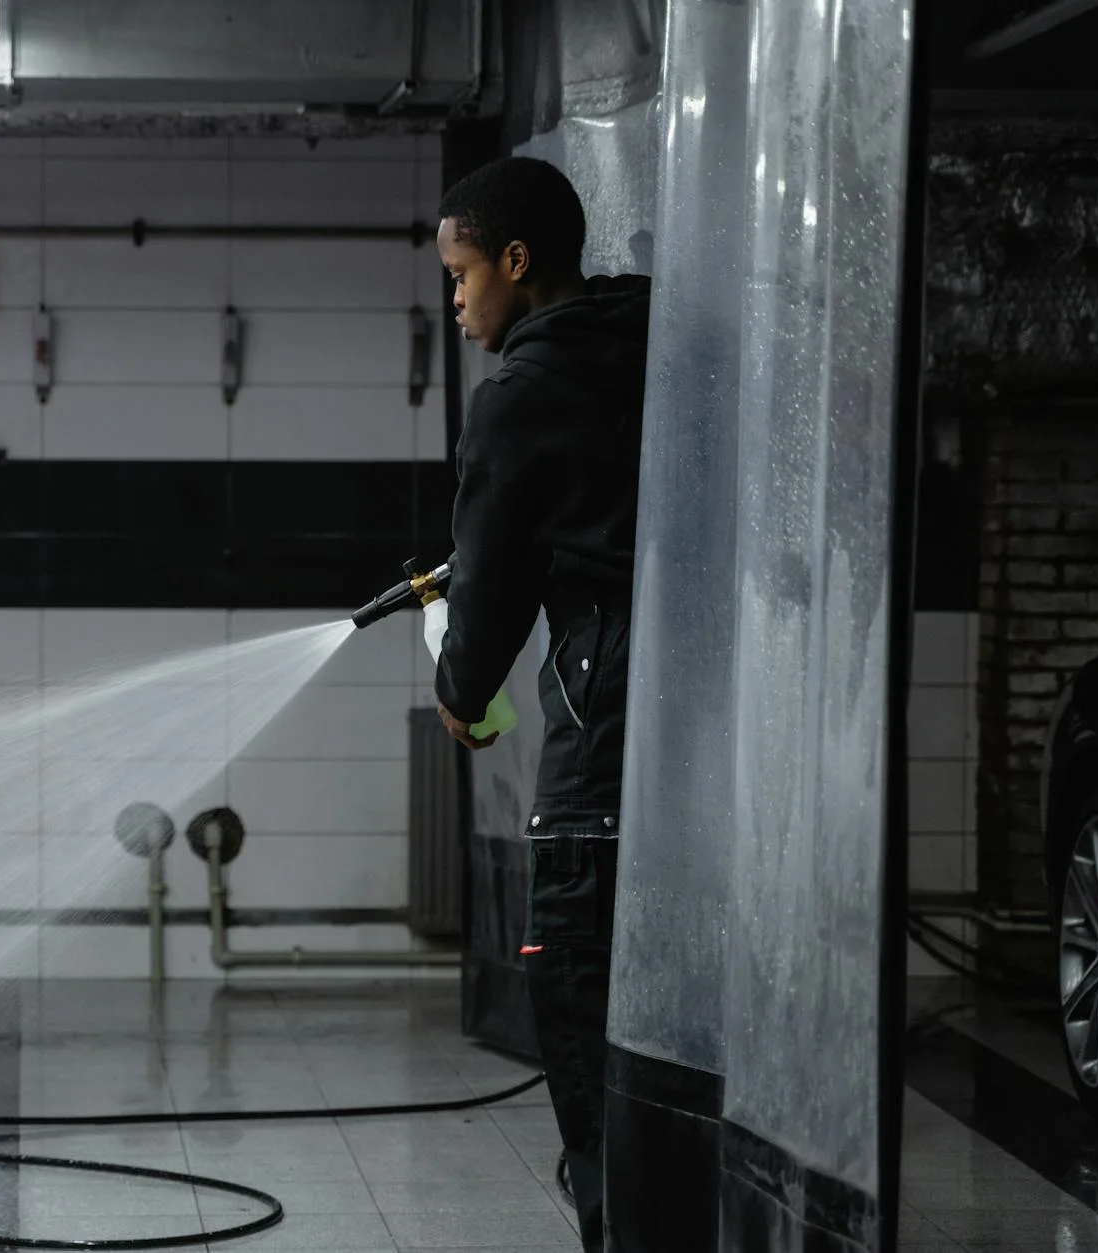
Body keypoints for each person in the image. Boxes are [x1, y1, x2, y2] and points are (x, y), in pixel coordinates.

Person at [429, 156, 650, 1251]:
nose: (456, 298)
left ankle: (611, 1217)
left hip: (603, 713)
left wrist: (457, 689)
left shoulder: (514, 395)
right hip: (689, 712)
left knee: (568, 961)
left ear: (515, 263)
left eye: (462, 272)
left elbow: (491, 590)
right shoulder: (651, 343)